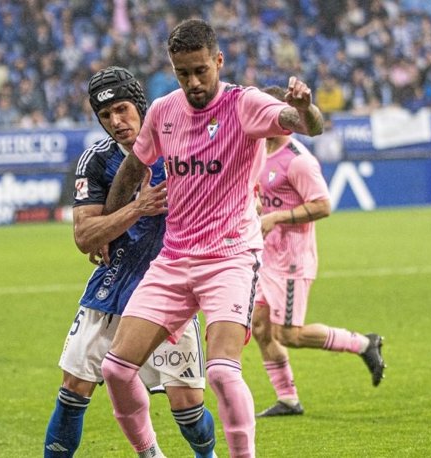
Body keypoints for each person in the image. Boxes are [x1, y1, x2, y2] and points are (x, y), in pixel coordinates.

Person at [100, 19, 324, 457]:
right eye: (183, 72)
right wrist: (111, 225)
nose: (194, 81)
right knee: (116, 368)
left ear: (218, 61)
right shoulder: (164, 111)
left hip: (230, 258)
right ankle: (151, 454)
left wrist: (305, 107)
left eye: (201, 70)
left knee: (222, 372)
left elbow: (307, 125)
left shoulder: (244, 104)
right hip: (175, 259)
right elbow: (134, 165)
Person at [44, 67, 217, 458]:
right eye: (105, 116)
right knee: (73, 387)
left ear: (139, 105)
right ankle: (150, 453)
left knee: (188, 407)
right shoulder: (96, 161)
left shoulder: (181, 146)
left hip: (169, 287)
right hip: (112, 288)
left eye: (122, 110)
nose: (116, 122)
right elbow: (85, 237)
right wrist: (136, 209)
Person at [251, 86, 386, 417]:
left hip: (293, 260)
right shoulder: (257, 151)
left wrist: (277, 216)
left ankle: (364, 343)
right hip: (267, 256)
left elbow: (324, 206)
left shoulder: (298, 160)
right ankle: (288, 399)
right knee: (259, 326)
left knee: (289, 334)